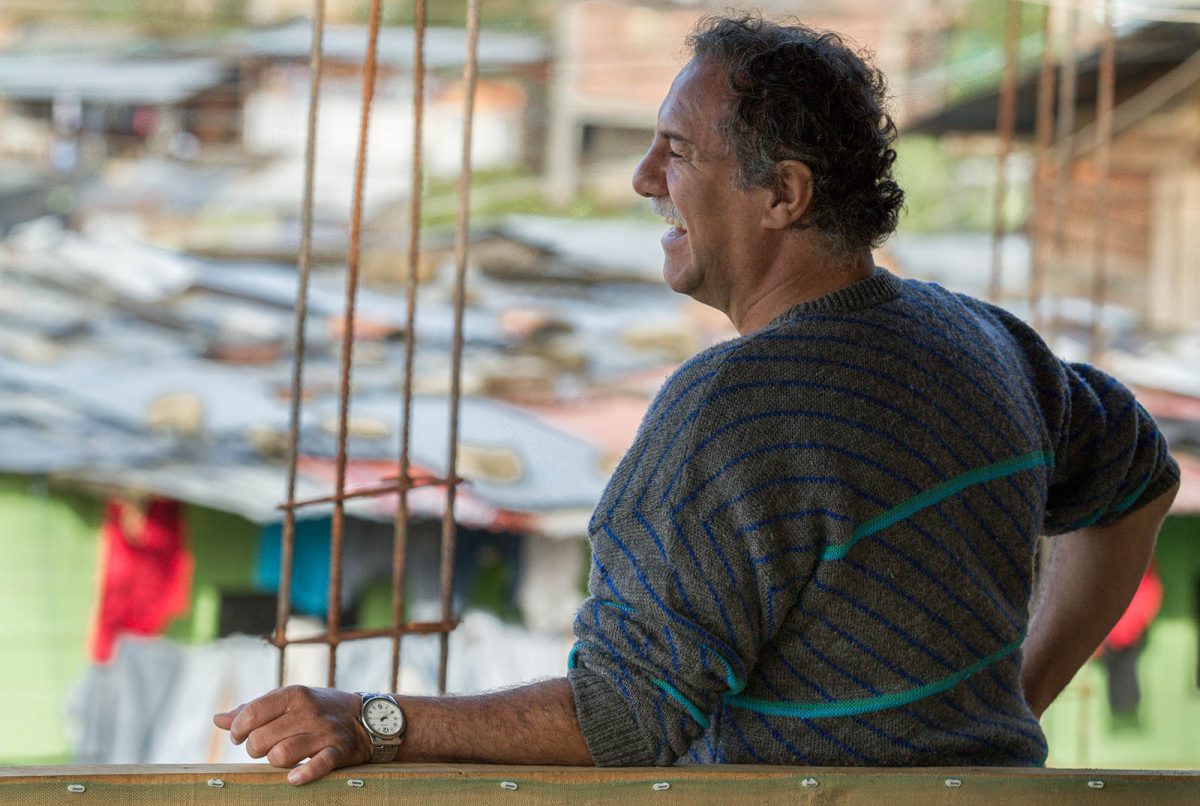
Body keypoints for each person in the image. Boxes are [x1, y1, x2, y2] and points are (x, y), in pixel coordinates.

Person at [214, 15, 1179, 782]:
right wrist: (1013, 706)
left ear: (784, 195)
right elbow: (1142, 478)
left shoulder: (732, 412)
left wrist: (375, 720)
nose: (643, 180)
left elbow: (630, 715)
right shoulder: (983, 341)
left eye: (676, 151)